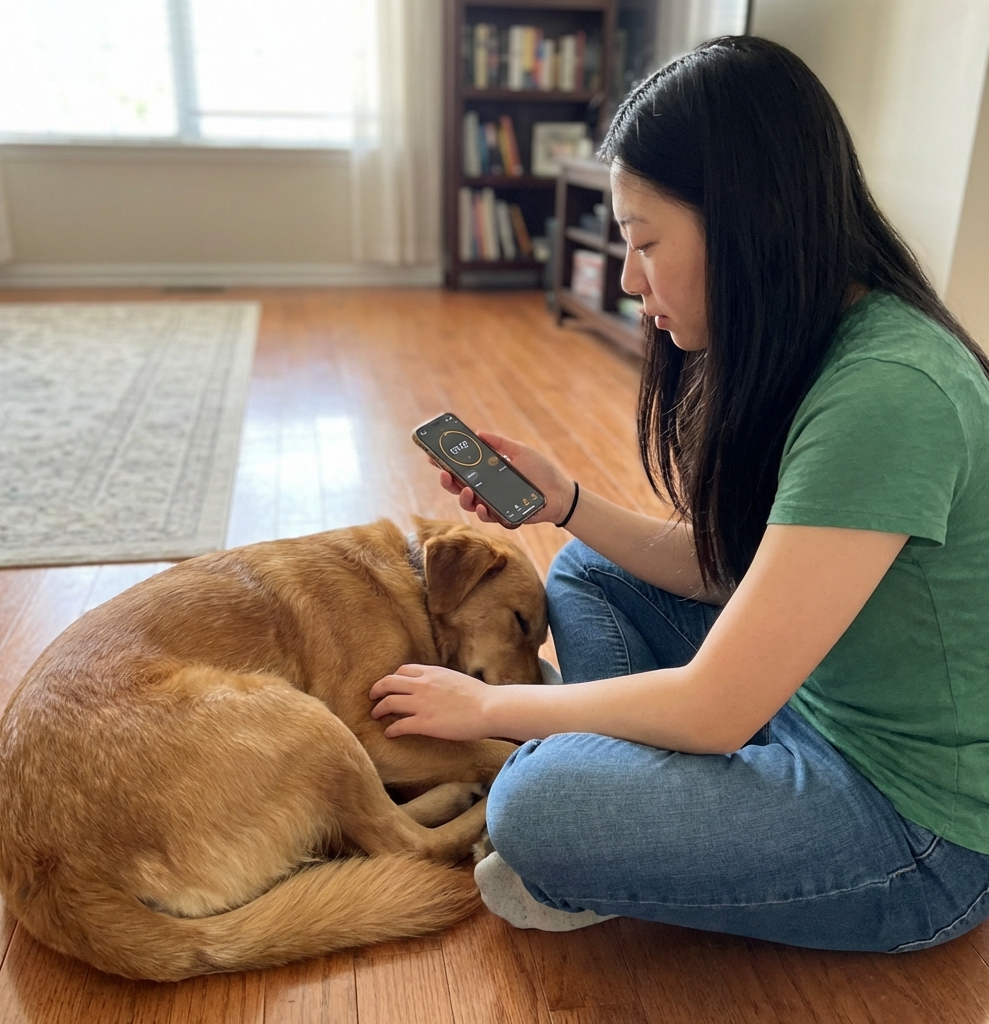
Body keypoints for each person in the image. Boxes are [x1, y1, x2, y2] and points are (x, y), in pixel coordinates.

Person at [370, 35, 989, 951]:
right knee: (586, 567)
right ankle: (640, 789)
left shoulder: (890, 390)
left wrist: (492, 710)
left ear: (746, 223)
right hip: (794, 699)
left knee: (538, 808)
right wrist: (565, 500)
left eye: (645, 241)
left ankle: (615, 792)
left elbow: (715, 707)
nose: (629, 279)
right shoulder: (813, 338)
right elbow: (722, 570)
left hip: (913, 830)